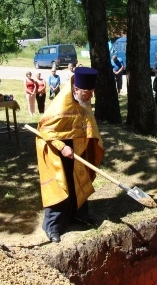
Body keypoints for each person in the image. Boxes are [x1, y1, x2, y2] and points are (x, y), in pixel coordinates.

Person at [36, 67, 104, 243]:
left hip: (77, 148)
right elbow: (44, 130)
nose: (90, 96)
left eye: (92, 92)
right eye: (86, 92)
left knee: (77, 182)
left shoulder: (84, 102)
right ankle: (52, 227)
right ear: (76, 89)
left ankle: (79, 215)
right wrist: (62, 147)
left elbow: (88, 124)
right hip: (56, 150)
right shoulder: (60, 105)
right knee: (61, 184)